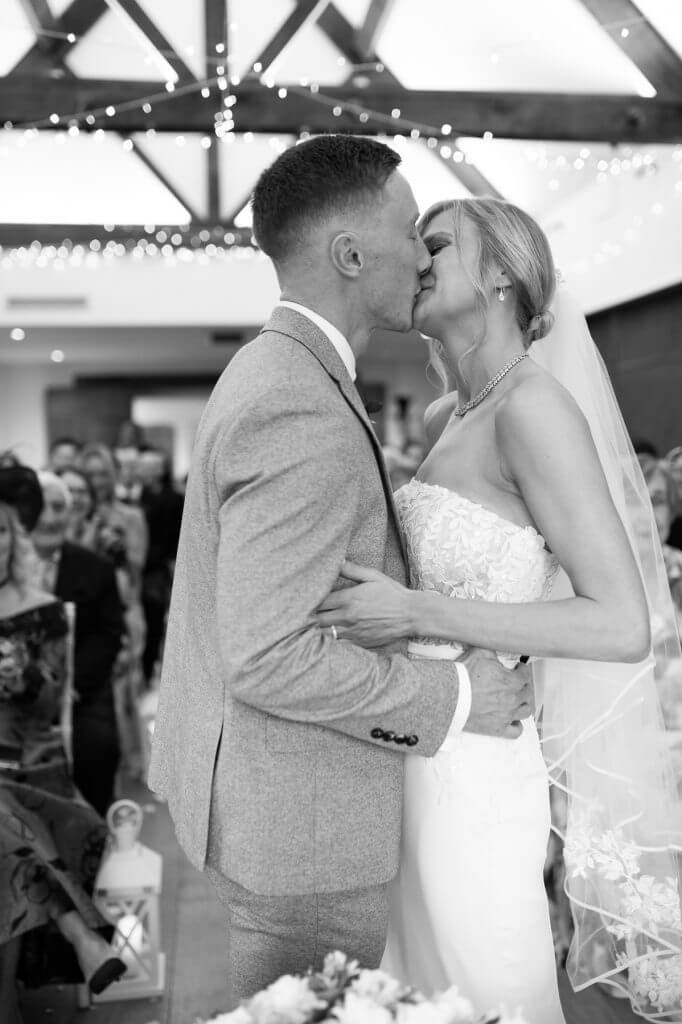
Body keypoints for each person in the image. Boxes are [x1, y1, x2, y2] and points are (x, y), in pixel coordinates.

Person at [148, 135, 533, 1006]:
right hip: (306, 826)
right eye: (411, 231)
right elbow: (268, 655)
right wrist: (458, 698)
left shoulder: (282, 371)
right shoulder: (299, 403)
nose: (423, 256)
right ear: (351, 255)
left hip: (289, 805)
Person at [316, 198, 682, 1021]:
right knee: (415, 992)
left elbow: (621, 624)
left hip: (477, 775)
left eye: (437, 245)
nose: (416, 261)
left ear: (504, 276)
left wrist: (418, 614)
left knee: (485, 989)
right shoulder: (448, 415)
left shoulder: (534, 408)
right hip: (416, 746)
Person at [0, 466, 125, 1022]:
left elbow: (50, 704)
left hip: (29, 765)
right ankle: (81, 935)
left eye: (1, 531)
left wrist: (22, 676)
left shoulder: (39, 608)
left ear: (14, 538)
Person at [33, 471, 125, 815]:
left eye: (59, 508)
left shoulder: (96, 568)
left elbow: (108, 634)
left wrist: (69, 684)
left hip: (80, 688)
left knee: (97, 746)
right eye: (40, 507)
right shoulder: (8, 566)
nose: (49, 518)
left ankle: (91, 827)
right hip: (14, 690)